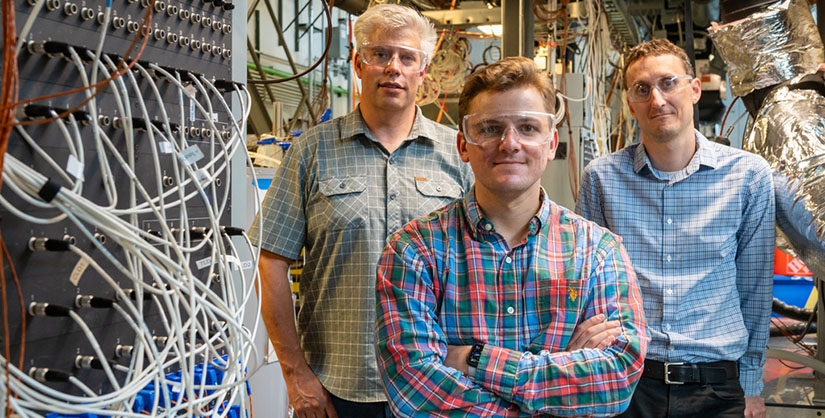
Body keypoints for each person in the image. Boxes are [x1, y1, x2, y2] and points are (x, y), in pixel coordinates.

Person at [375, 57, 648, 417]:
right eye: (490, 128)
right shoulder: (414, 251)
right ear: (462, 145)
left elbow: (615, 380)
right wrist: (563, 372)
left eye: (528, 127)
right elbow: (415, 389)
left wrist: (474, 359)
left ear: (551, 143)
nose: (509, 143)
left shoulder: (598, 251)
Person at [250, 4, 474, 418]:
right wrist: (295, 374)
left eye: (407, 57)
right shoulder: (311, 151)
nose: (394, 67)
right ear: (358, 62)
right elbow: (270, 260)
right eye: (380, 54)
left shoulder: (458, 154)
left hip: (439, 386)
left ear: (423, 71)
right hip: (339, 389)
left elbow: (488, 261)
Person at [577, 39, 775, 418]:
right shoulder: (601, 179)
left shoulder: (748, 177)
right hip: (627, 383)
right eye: (642, 89)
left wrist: (751, 385)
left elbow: (755, 290)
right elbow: (588, 289)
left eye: (668, 83)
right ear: (630, 102)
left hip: (717, 388)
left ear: (694, 88)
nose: (657, 99)